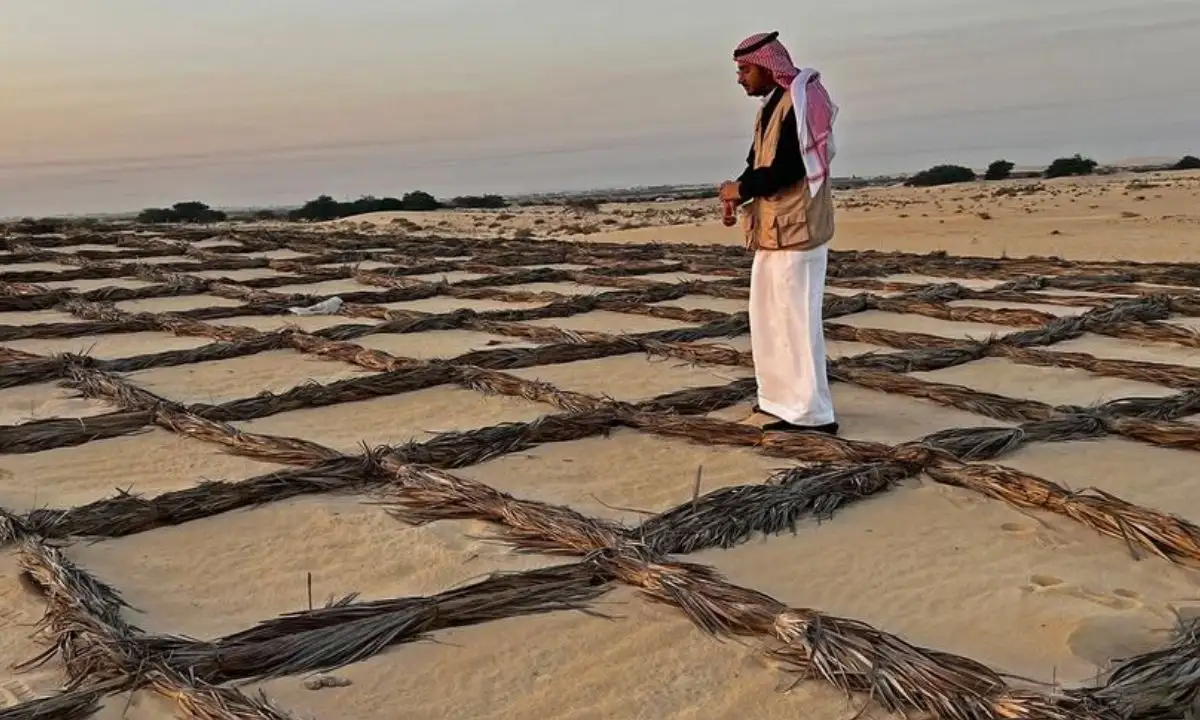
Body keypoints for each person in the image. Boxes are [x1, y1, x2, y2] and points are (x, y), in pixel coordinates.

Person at [718, 31, 839, 435]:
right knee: (769, 318)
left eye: (745, 70)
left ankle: (812, 414)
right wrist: (737, 191)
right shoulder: (771, 107)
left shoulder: (801, 104)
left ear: (769, 69)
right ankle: (779, 402)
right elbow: (758, 164)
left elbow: (791, 169)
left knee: (797, 322)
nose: (740, 78)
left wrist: (744, 189)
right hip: (771, 232)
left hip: (798, 231)